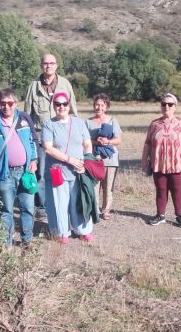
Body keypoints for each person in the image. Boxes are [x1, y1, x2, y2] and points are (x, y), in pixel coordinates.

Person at [0, 88, 38, 246]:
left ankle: (27, 241)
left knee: (28, 209)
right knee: (6, 211)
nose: (6, 106)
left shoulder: (24, 118)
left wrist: (34, 159)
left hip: (25, 172)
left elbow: (33, 140)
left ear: (16, 103)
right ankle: (6, 244)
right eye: (3, 103)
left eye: (10, 103)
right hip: (4, 174)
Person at [24, 53, 78, 216]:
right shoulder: (33, 86)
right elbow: (27, 115)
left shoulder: (65, 84)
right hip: (41, 137)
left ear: (56, 65)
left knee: (63, 169)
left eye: (52, 63)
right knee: (41, 172)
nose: (48, 66)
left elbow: (74, 111)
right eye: (45, 63)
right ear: (41, 65)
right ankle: (42, 207)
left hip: (62, 136)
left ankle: (63, 202)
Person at [42, 91, 94, 243]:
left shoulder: (79, 122)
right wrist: (70, 160)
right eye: (58, 104)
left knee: (79, 201)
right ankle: (61, 232)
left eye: (64, 103)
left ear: (69, 105)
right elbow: (48, 148)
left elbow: (87, 143)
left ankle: (83, 230)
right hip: (58, 172)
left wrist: (87, 160)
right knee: (59, 203)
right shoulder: (49, 125)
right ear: (54, 106)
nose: (61, 107)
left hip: (79, 170)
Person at [141, 93, 181, 228]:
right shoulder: (154, 124)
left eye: (170, 104)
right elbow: (147, 143)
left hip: (177, 165)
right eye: (164, 104)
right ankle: (160, 215)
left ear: (175, 106)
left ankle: (179, 216)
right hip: (158, 165)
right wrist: (144, 161)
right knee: (161, 190)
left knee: (177, 190)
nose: (166, 106)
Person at [85, 93, 122, 221]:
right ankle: (94, 209)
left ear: (106, 106)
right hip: (94, 159)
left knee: (108, 187)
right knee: (94, 186)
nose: (99, 107)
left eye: (102, 105)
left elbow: (118, 140)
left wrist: (107, 142)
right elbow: (85, 141)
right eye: (97, 104)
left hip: (110, 159)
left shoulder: (112, 120)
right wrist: (96, 142)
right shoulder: (88, 122)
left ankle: (106, 210)